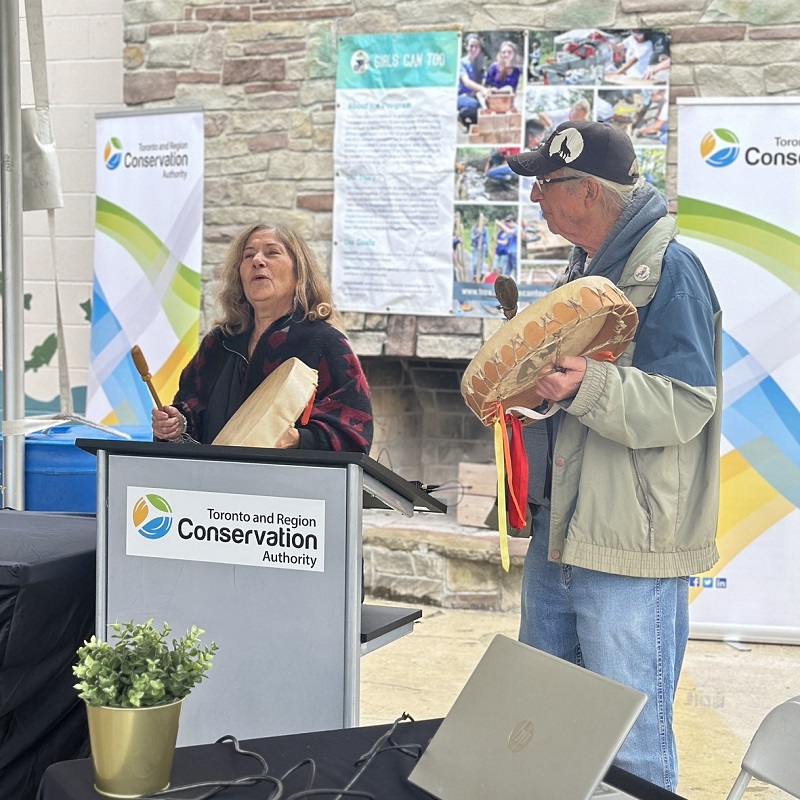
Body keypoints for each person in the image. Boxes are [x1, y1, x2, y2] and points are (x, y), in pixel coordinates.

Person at [506, 121, 721, 792]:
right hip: (561, 531)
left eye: (544, 184)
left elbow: (686, 404)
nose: (535, 198)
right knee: (542, 723)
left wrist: (585, 386)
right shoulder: (586, 269)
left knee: (633, 749)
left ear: (587, 191)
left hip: (628, 542)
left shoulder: (671, 271)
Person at [151, 222, 373, 453]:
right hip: (214, 474)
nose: (257, 260)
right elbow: (193, 410)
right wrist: (177, 424)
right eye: (248, 255)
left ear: (299, 272)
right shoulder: (219, 343)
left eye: (272, 252)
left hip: (288, 476)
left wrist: (299, 439)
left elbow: (354, 435)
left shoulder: (325, 343)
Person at [457, 33, 486, 128]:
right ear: (466, 47)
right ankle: (459, 116)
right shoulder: (461, 63)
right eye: (471, 46)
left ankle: (470, 119)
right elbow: (466, 82)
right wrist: (482, 89)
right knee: (473, 105)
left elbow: (482, 81)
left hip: (472, 96)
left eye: (476, 46)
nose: (474, 49)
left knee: (483, 112)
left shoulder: (479, 64)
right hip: (460, 96)